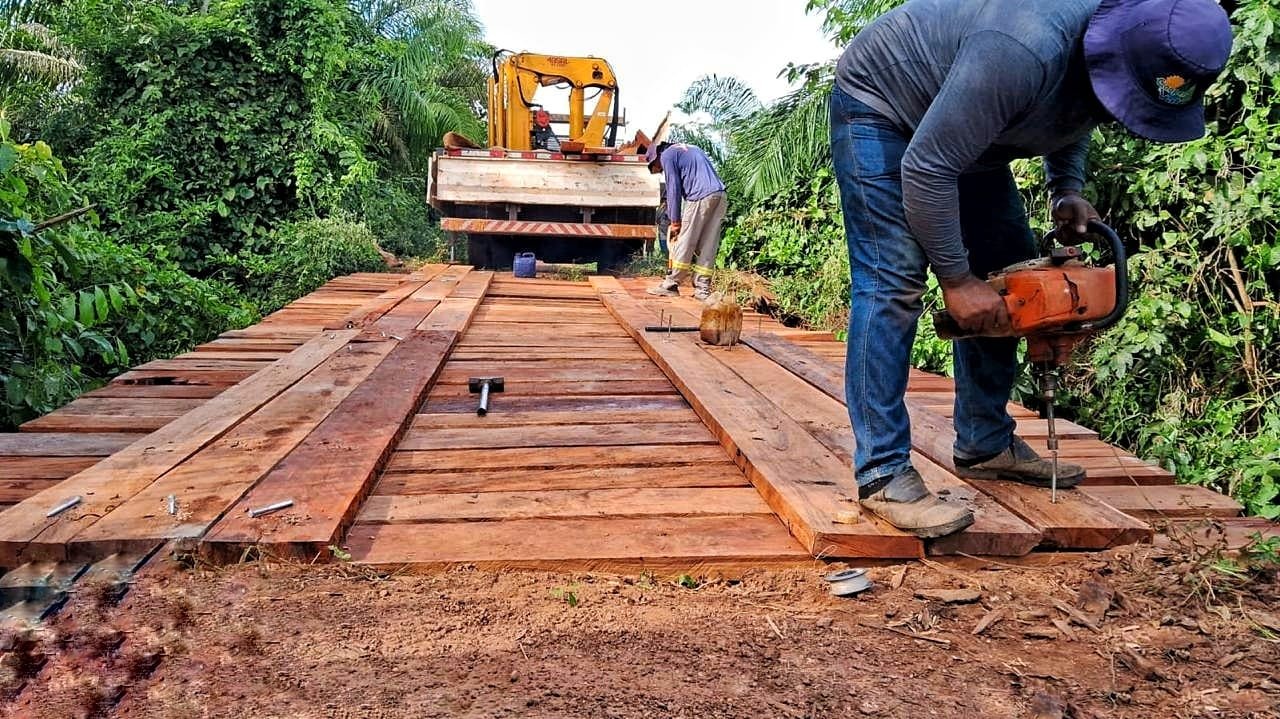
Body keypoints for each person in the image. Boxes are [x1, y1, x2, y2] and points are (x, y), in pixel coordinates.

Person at [830, 0, 1232, 537]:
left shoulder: (1105, 55)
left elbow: (1083, 109)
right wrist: (956, 279)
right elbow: (927, 168)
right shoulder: (1021, 48)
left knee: (1010, 277)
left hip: (969, 137)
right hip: (885, 107)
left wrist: (1067, 190)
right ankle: (882, 473)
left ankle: (985, 441)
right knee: (892, 282)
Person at [645, 142, 727, 300]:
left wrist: (675, 220)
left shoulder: (667, 155)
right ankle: (702, 289)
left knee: (686, 240)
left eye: (658, 167)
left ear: (657, 157)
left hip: (700, 196)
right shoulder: (690, 148)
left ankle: (671, 283)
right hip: (720, 195)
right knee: (709, 244)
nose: (661, 170)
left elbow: (673, 189)